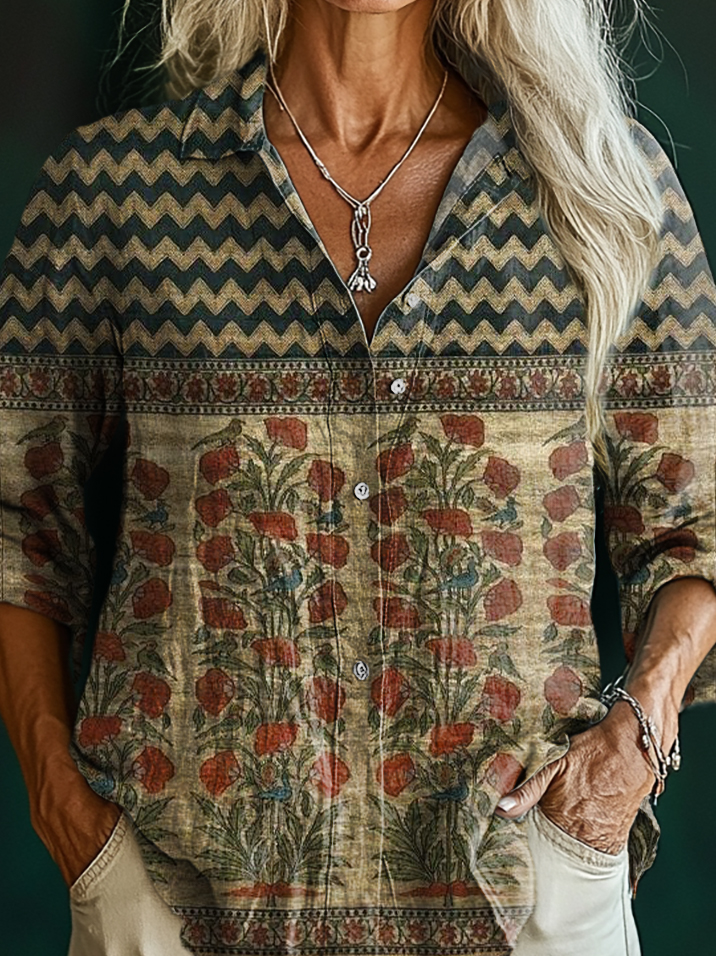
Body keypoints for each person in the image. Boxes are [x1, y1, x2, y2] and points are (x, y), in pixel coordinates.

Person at [0, 0, 715, 954]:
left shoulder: (597, 187)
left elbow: (698, 528)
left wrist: (636, 741)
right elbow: (20, 526)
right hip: (179, 900)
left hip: (520, 896)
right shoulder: (115, 193)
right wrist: (61, 802)